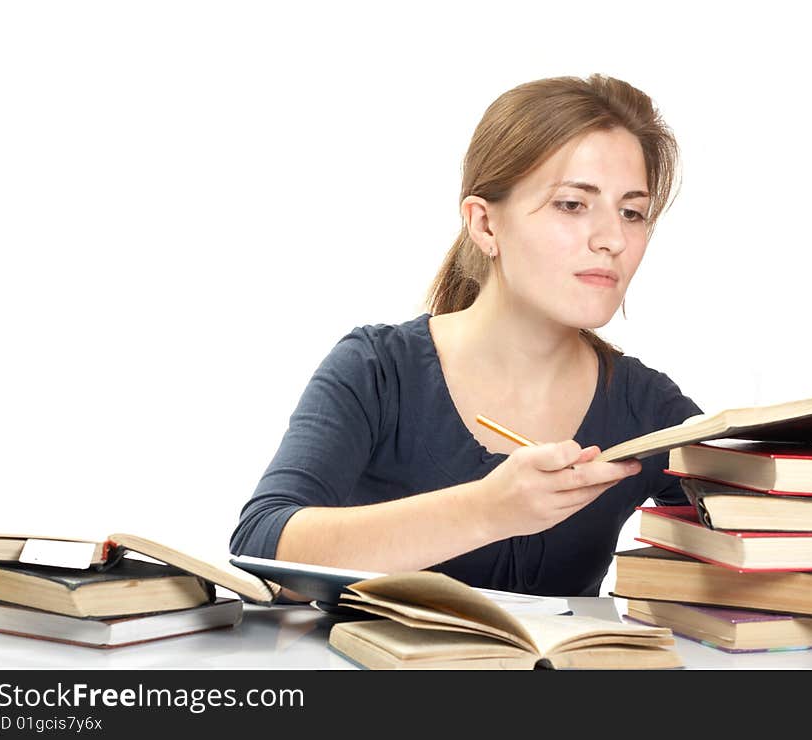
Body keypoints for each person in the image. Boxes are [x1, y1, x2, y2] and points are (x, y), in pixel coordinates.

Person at [230, 74, 702, 597]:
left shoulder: (649, 409)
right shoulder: (378, 370)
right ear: (484, 225)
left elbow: (760, 538)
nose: (612, 238)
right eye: (572, 204)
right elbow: (259, 546)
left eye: (632, 213)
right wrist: (486, 510)